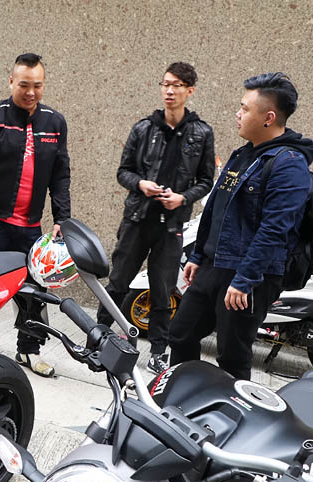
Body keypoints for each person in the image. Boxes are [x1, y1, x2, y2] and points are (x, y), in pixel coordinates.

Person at [169, 73, 313, 380]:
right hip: (214, 265)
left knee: (232, 355)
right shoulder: (244, 154)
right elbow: (216, 208)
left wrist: (245, 278)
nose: (238, 113)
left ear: (268, 117)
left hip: (248, 275)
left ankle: (234, 420)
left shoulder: (289, 164)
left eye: (245, 108)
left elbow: (276, 230)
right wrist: (197, 255)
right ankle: (180, 403)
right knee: (180, 333)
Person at [97, 62, 215, 374]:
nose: (169, 90)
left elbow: (205, 181)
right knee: (118, 282)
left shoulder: (201, 133)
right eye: (165, 84)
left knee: (164, 291)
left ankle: (159, 352)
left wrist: (183, 198)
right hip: (137, 219)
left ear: (189, 90)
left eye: (176, 85)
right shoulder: (143, 128)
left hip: (172, 225)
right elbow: (123, 171)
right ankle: (98, 337)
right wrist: (140, 183)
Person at [0, 52, 71, 377]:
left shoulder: (55, 122)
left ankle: (29, 349)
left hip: (31, 228)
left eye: (37, 85)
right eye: (24, 85)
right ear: (12, 81)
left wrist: (62, 218)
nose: (31, 92)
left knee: (36, 292)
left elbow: (60, 175)